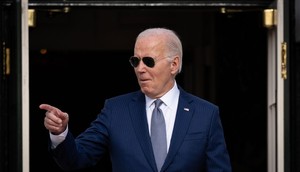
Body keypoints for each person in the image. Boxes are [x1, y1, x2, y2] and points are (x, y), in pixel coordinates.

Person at [39, 27, 232, 172]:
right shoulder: (116, 110)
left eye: (149, 61)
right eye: (135, 61)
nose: (140, 68)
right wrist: (60, 132)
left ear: (174, 64)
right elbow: (77, 159)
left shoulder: (206, 114)